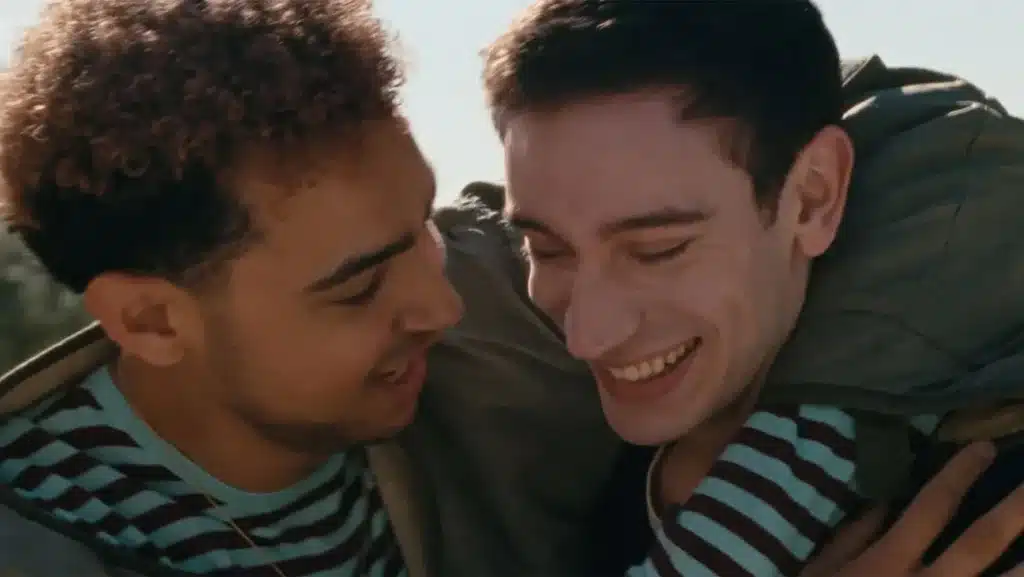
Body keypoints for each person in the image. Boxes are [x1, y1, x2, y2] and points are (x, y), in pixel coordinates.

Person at [0, 2, 1021, 577]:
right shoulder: (40, 542)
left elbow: (941, 159)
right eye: (358, 286)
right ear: (150, 319)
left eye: (421, 230)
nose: (442, 303)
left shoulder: (495, 305)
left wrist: (737, 515)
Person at [478, 0, 1024, 576]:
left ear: (812, 199)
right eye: (547, 249)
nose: (587, 335)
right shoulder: (577, 461)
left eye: (657, 250)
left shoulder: (990, 489)